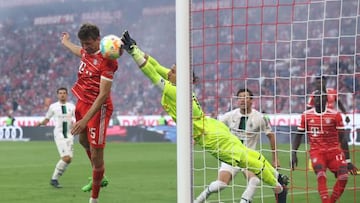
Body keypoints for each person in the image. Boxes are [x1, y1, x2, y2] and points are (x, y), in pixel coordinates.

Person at [120, 30, 289, 201]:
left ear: (181, 77)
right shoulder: (180, 85)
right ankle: (278, 176)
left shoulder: (174, 91)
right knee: (250, 155)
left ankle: (278, 188)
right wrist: (135, 47)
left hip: (208, 135)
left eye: (172, 71)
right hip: (212, 125)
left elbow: (151, 73)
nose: (168, 72)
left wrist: (133, 52)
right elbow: (155, 66)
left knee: (247, 161)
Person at [195, 88, 286, 203]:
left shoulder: (260, 117)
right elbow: (215, 126)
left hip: (248, 157)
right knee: (221, 185)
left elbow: (271, 136)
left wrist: (275, 158)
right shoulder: (229, 115)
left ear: (251, 100)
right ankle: (198, 200)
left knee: (255, 180)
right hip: (230, 155)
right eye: (240, 98)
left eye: (245, 97)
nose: (242, 100)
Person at [61, 23, 118, 203]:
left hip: (98, 109)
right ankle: (100, 175)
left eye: (89, 43)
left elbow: (102, 96)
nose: (86, 47)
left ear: (98, 39)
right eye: (83, 43)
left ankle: (94, 199)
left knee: (96, 154)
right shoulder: (86, 51)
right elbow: (78, 50)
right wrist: (66, 42)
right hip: (82, 103)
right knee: (83, 140)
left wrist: (85, 120)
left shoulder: (107, 60)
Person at [291, 90, 358, 203]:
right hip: (317, 152)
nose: (318, 99)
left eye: (321, 97)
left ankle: (331, 201)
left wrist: (348, 160)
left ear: (326, 99)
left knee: (344, 176)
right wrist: (293, 153)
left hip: (334, 152)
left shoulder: (335, 115)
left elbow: (343, 138)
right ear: (313, 100)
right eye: (316, 97)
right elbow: (298, 135)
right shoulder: (306, 115)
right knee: (321, 175)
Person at [37, 87, 76, 188]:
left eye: (64, 93)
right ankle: (54, 179)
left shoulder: (72, 106)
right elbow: (47, 119)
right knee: (66, 158)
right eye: (60, 93)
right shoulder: (53, 107)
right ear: (57, 95)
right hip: (59, 135)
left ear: (67, 95)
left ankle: (55, 179)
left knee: (69, 159)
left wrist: (75, 124)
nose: (62, 95)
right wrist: (40, 123)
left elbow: (76, 119)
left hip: (69, 135)